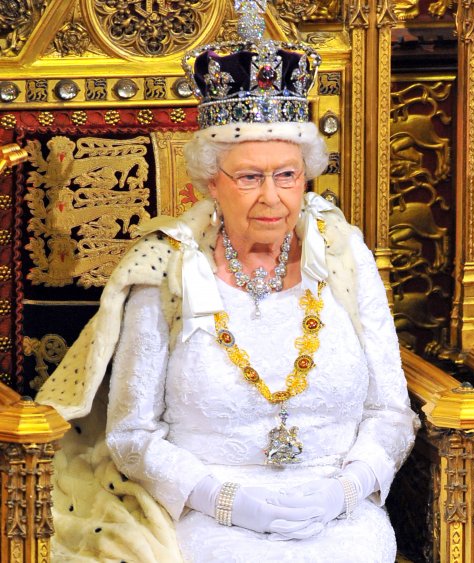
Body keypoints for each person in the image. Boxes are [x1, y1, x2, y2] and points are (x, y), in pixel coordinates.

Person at [36, 4, 418, 561]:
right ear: (211, 183)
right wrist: (225, 501)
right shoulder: (164, 267)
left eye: (287, 174)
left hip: (340, 514)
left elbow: (390, 411)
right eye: (249, 177)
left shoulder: (343, 254)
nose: (272, 196)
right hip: (205, 515)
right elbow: (131, 433)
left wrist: (348, 488)